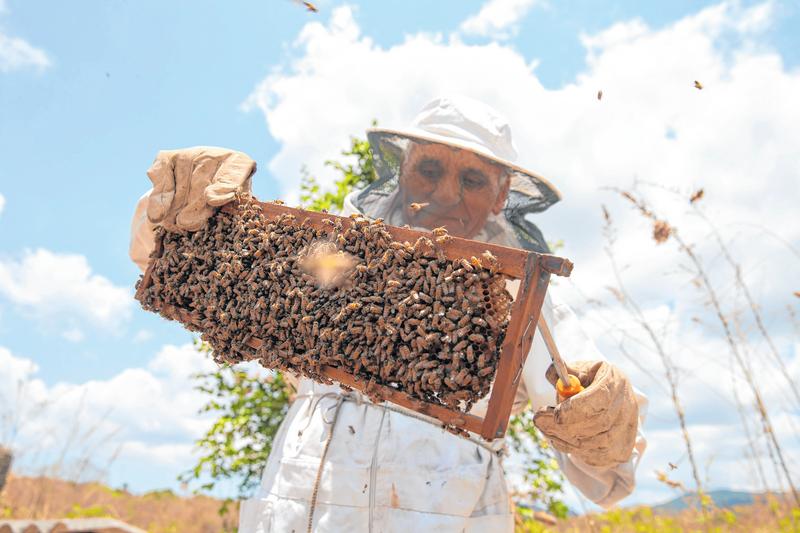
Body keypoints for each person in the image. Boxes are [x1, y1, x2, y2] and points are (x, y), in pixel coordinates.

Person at [130, 96, 647, 532]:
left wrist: (608, 427)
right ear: (402, 171)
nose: (446, 193)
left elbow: (603, 472)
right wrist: (192, 208)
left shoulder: (526, 297)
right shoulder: (339, 259)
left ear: (502, 196)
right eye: (429, 168)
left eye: (472, 179)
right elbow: (208, 271)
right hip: (298, 507)